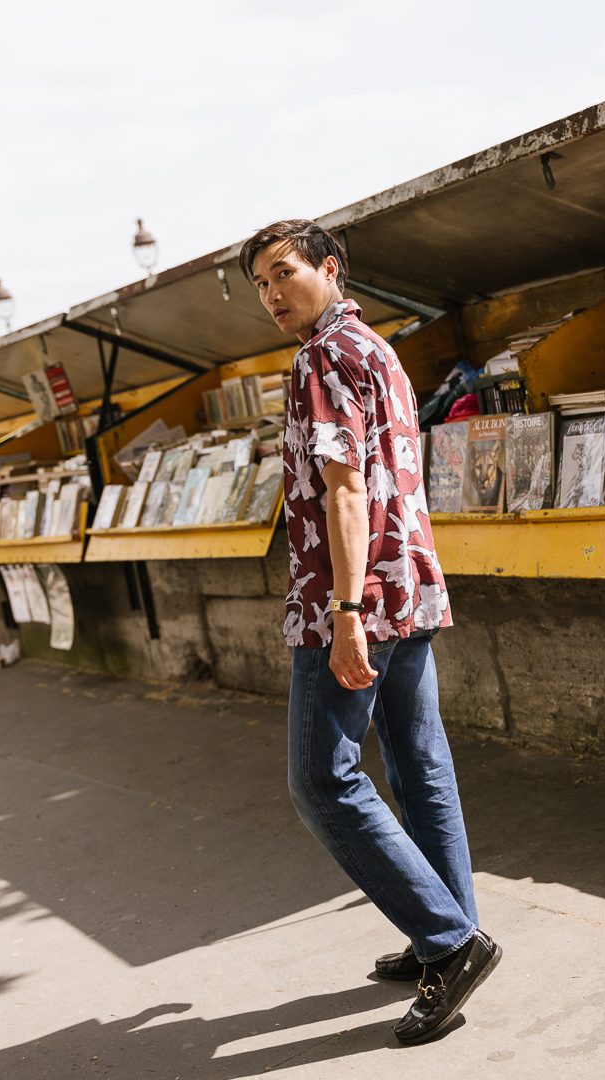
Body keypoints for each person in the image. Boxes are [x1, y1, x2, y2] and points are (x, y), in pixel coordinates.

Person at [238, 220, 501, 1045]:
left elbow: (345, 491)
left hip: (352, 598)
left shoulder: (320, 358)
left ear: (330, 267)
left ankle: (451, 943)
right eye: (260, 285)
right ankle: (446, 932)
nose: (273, 294)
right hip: (409, 581)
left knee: (323, 780)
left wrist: (345, 614)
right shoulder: (376, 348)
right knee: (421, 767)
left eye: (284, 274)